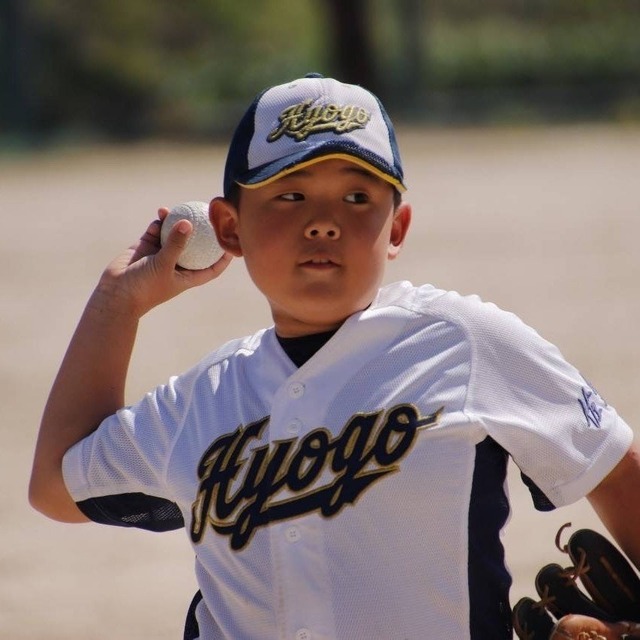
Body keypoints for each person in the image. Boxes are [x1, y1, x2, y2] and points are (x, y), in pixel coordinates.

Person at [29, 73, 640, 639]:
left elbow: (615, 464)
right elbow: (57, 485)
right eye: (290, 195)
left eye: (355, 198)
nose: (323, 222)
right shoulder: (203, 398)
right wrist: (118, 303)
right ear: (229, 227)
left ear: (395, 228)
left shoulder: (461, 341)